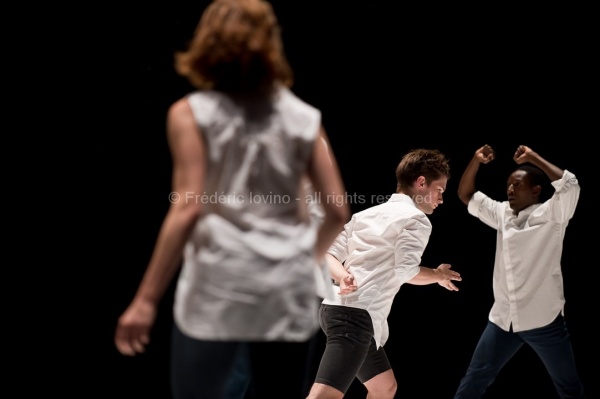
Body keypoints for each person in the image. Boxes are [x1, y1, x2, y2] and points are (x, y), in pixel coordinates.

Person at [113, 0, 350, 398]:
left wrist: (145, 299)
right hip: (285, 291)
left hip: (218, 285)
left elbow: (188, 207)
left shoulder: (191, 113)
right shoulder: (304, 117)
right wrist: (298, 260)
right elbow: (338, 212)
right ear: (272, 43)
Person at [306, 148, 462, 399]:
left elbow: (328, 254)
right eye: (440, 190)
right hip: (355, 318)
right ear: (421, 182)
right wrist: (438, 274)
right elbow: (405, 271)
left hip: (337, 309)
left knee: (384, 387)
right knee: (324, 396)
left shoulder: (365, 215)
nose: (441, 199)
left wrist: (342, 275)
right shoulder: (416, 219)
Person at [453, 144, 586, 398]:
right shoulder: (502, 212)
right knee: (473, 382)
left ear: (536, 190)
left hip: (544, 322)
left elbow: (570, 185)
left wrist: (534, 158)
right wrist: (475, 160)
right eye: (508, 185)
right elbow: (466, 194)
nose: (510, 189)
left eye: (517, 184)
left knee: (569, 388)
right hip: (503, 320)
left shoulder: (553, 214)